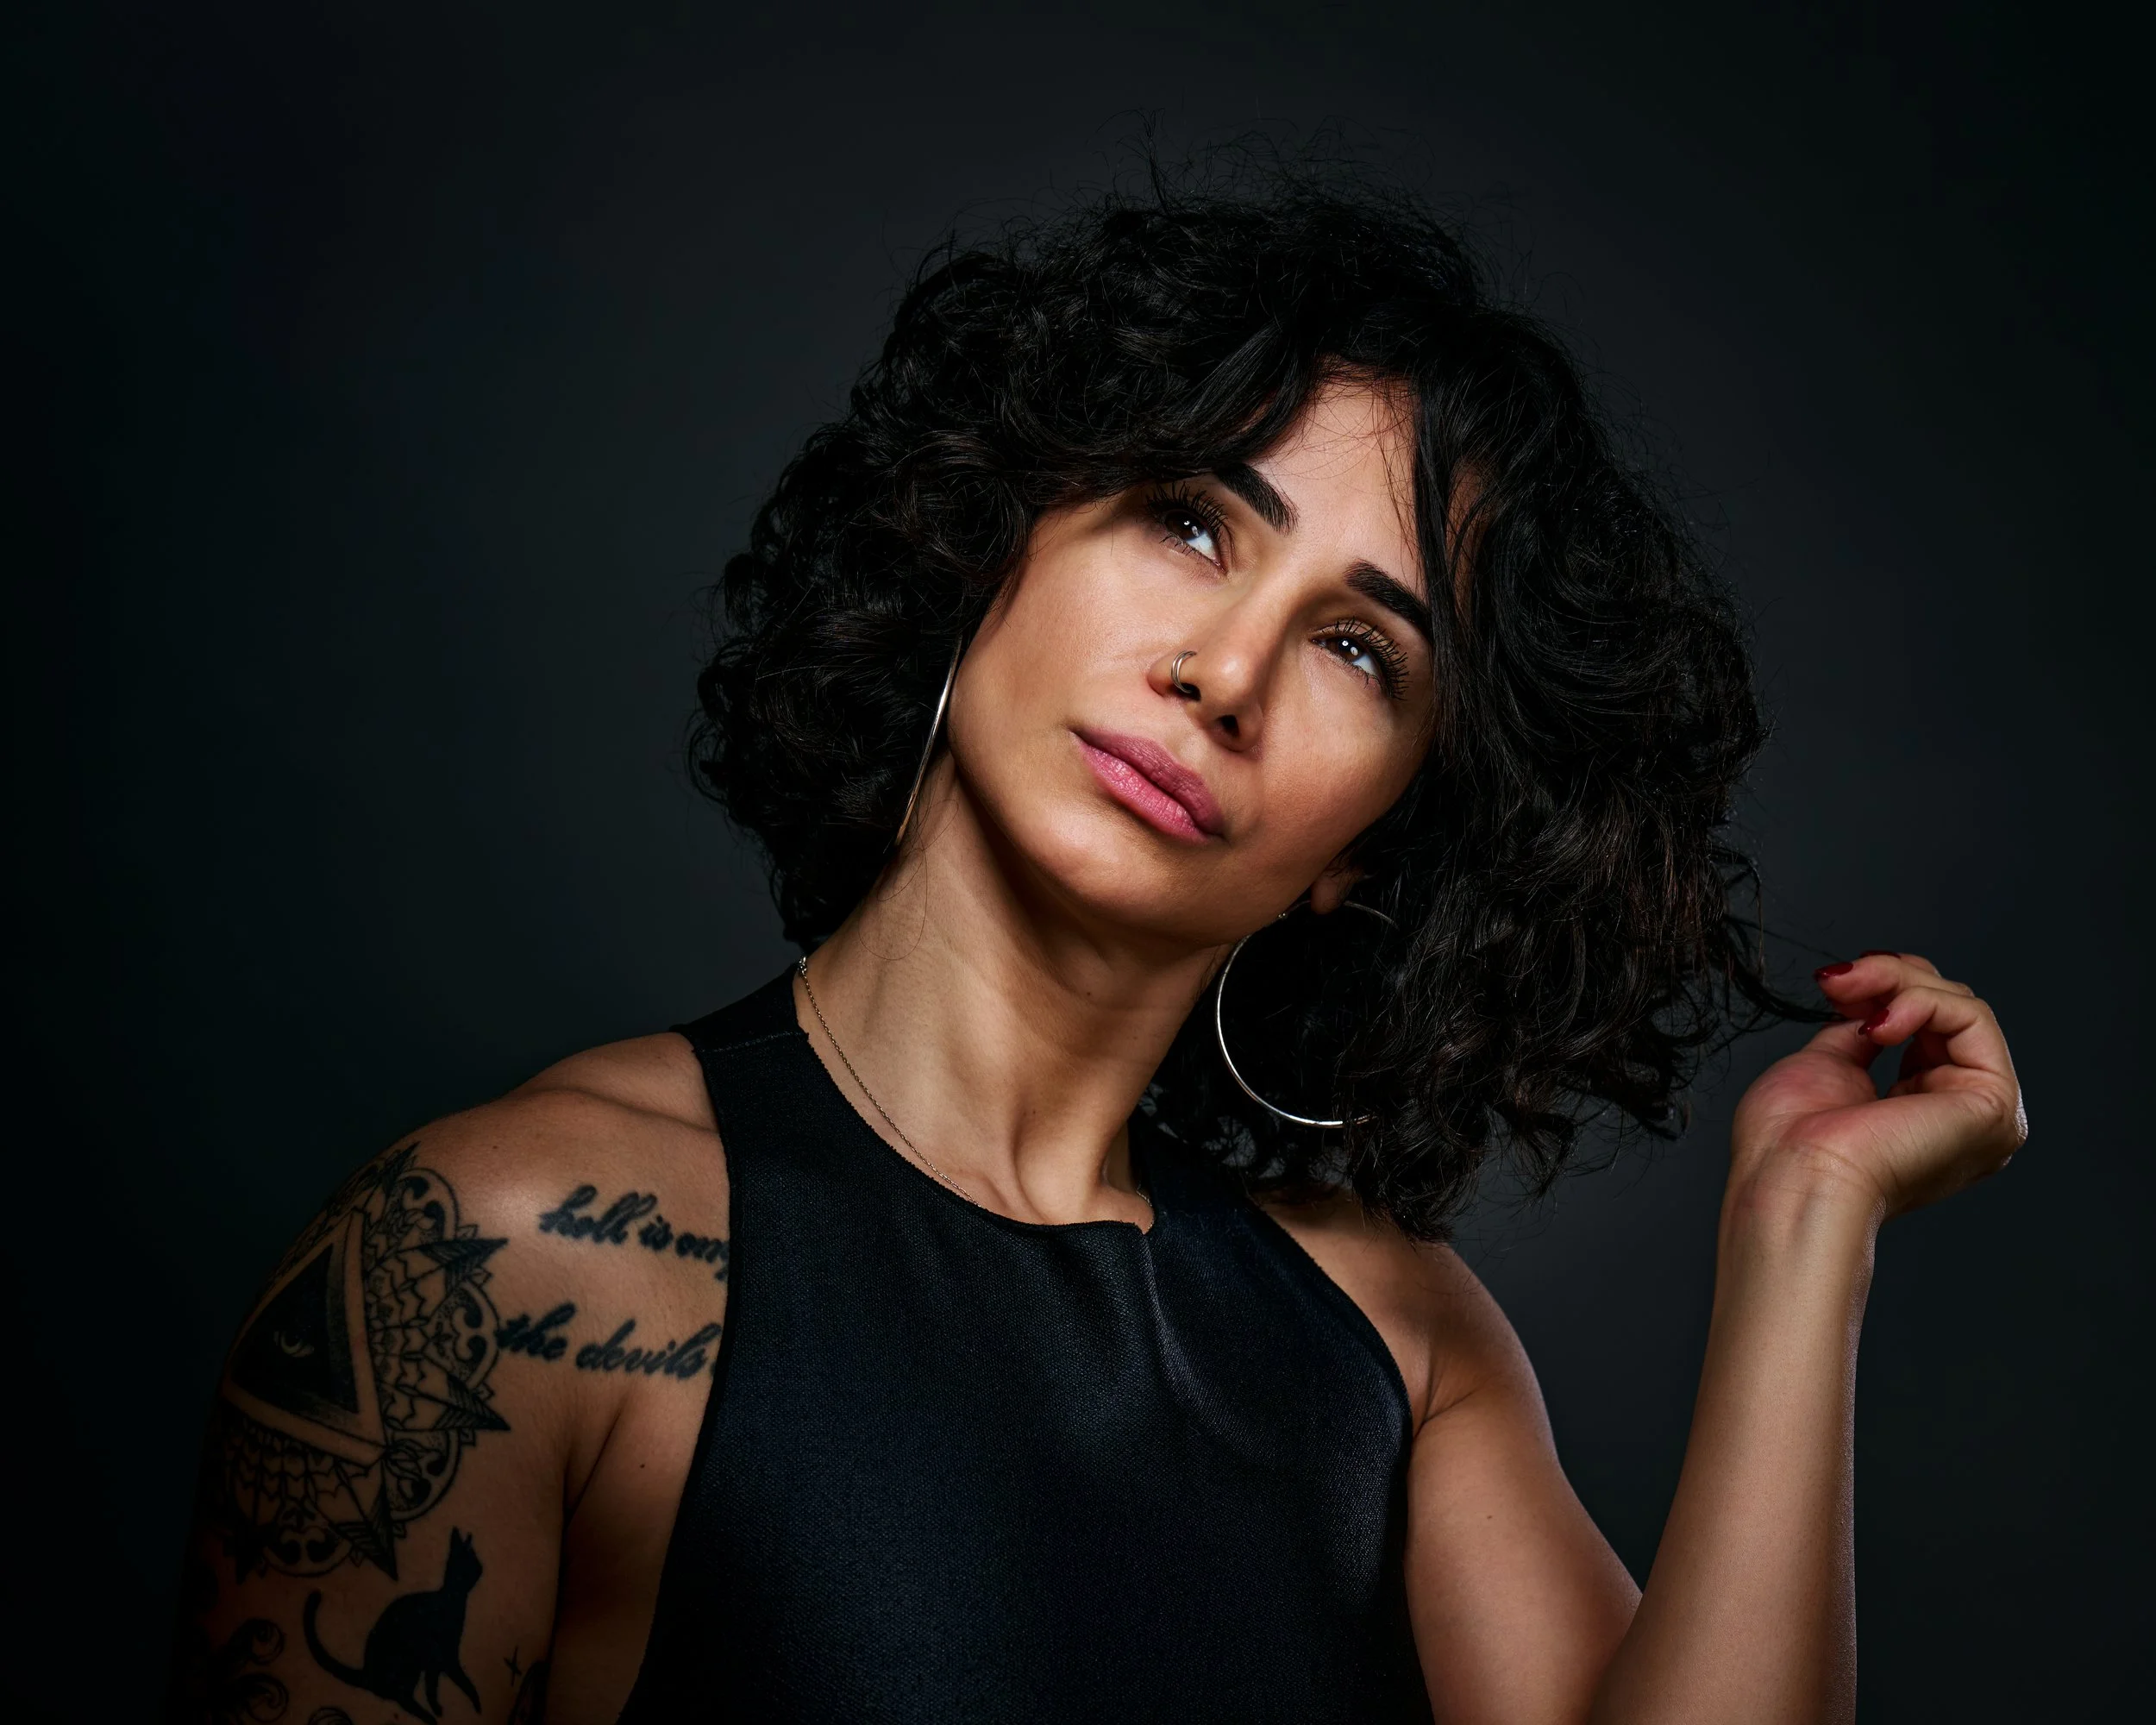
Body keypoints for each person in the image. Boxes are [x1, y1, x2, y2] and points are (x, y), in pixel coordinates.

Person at [166, 172, 2025, 1724]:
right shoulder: (510, 1252)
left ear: (1367, 854)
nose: (1220, 674)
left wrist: (1802, 1230)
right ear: (990, 546)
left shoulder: (1389, 1342)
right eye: (1186, 521)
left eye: (1358, 650)